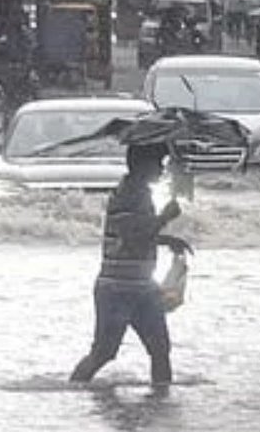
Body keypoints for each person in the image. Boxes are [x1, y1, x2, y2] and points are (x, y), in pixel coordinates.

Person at [70, 143, 193, 388]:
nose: (161, 169)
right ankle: (74, 390)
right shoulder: (129, 194)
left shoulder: (139, 192)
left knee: (160, 349)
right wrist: (164, 218)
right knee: (105, 352)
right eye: (157, 164)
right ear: (141, 165)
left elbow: (134, 235)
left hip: (140, 285)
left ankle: (160, 400)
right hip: (118, 287)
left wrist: (167, 239)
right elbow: (132, 237)